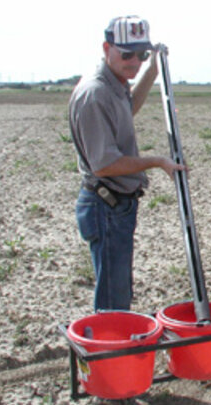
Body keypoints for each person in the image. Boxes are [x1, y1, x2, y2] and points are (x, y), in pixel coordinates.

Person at [68, 15, 185, 311]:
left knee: (118, 290)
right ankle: (107, 355)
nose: (135, 62)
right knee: (112, 300)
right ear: (107, 48)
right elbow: (104, 165)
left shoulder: (115, 84)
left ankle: (112, 351)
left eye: (141, 55)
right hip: (105, 206)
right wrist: (157, 161)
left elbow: (129, 107)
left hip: (116, 206)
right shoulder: (96, 93)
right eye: (127, 54)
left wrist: (152, 71)